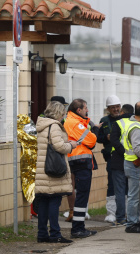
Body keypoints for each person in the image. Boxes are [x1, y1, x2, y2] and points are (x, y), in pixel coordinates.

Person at [35, 101, 77, 243]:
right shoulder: (54, 126)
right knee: (54, 201)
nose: (64, 114)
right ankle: (55, 234)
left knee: (44, 202)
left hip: (43, 169)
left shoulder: (42, 124)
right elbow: (59, 146)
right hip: (54, 170)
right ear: (59, 113)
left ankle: (42, 234)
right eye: (63, 112)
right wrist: (70, 145)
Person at [64, 98, 102, 238]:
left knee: (81, 195)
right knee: (82, 196)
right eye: (85, 108)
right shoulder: (75, 123)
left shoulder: (73, 121)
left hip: (78, 161)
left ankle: (79, 227)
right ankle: (78, 229)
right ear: (78, 110)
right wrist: (95, 130)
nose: (87, 110)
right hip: (80, 161)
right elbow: (92, 141)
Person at [123, 101, 140, 233]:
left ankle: (133, 221)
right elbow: (138, 148)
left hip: (132, 164)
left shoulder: (137, 124)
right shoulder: (137, 128)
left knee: (134, 195)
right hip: (134, 165)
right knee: (133, 196)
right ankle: (131, 224)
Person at [97, 95, 121, 222]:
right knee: (111, 184)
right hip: (111, 158)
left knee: (125, 185)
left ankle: (123, 212)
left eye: (117, 107)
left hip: (124, 157)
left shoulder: (124, 119)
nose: (116, 109)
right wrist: (106, 138)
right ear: (108, 109)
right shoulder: (104, 121)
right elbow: (97, 138)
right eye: (113, 107)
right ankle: (111, 212)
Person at [110, 104, 134, 226]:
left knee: (119, 191)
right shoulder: (138, 124)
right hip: (134, 161)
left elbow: (113, 140)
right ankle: (133, 217)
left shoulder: (118, 123)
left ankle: (120, 218)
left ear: (123, 111)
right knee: (132, 191)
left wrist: (122, 151)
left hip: (119, 161)